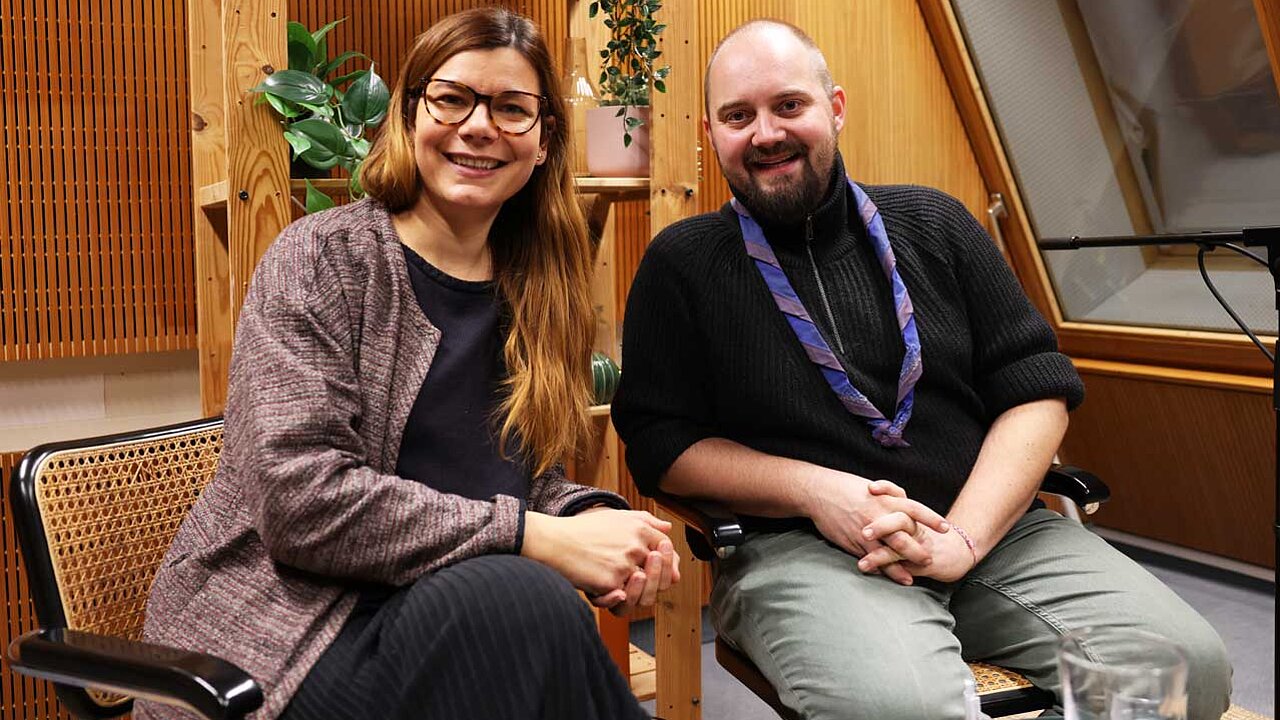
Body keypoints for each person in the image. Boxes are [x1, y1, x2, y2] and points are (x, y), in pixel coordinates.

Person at [611, 18, 1231, 720]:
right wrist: (820, 493)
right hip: (801, 553)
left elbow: (1037, 390)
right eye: (737, 116)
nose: (765, 133)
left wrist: (964, 537)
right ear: (710, 130)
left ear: (834, 107)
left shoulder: (937, 223)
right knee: (899, 709)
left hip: (993, 533)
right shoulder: (682, 264)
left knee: (1185, 674)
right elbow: (662, 446)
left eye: (789, 105)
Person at [139, 8, 677, 720]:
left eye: (513, 108)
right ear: (410, 111)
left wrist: (598, 523)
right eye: (453, 98)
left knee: (531, 618)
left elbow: (522, 478)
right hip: (287, 630)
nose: (480, 125)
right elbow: (302, 504)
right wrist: (535, 538)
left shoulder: (538, 286)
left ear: (545, 141)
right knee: (527, 603)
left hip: (450, 604)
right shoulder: (322, 259)